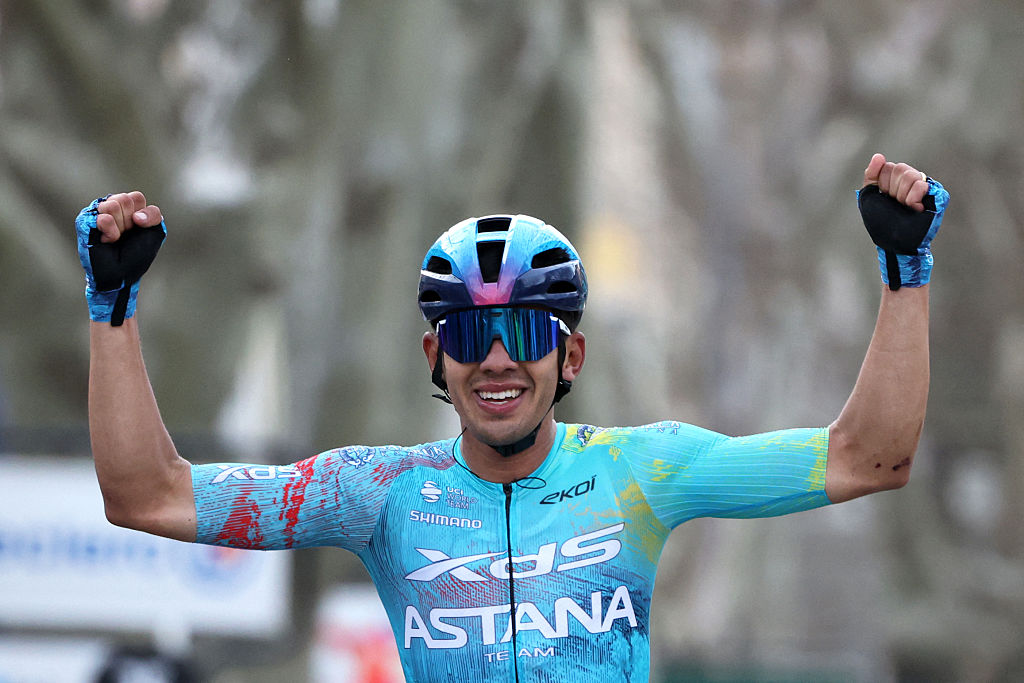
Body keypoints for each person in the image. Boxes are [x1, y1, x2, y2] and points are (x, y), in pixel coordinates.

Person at [78, 153, 948, 682]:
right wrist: (112, 309)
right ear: (435, 359)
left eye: (524, 330)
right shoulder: (380, 492)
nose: (496, 359)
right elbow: (145, 493)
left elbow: (870, 457)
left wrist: (904, 273)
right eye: (468, 332)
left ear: (568, 357)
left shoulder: (644, 470)